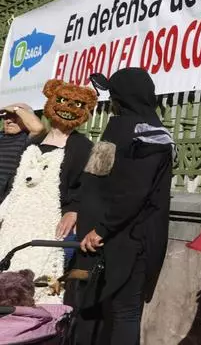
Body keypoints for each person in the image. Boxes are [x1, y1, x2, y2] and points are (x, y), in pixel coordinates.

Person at [72, 67, 175, 344]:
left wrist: (97, 228)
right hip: (122, 237)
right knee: (124, 312)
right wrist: (102, 229)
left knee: (107, 309)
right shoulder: (151, 133)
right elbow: (129, 191)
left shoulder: (123, 130)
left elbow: (124, 189)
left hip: (104, 236)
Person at [0, 80, 96, 303]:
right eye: (62, 101)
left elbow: (88, 186)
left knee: (37, 275)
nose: (68, 108)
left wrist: (74, 210)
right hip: (16, 219)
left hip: (48, 222)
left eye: (77, 104)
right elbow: (16, 182)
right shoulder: (34, 141)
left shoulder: (82, 146)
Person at [0, 103, 45, 205]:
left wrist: (15, 108)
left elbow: (38, 128)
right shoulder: (1, 136)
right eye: (5, 117)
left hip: (6, 200)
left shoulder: (27, 138)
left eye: (15, 117)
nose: (8, 121)